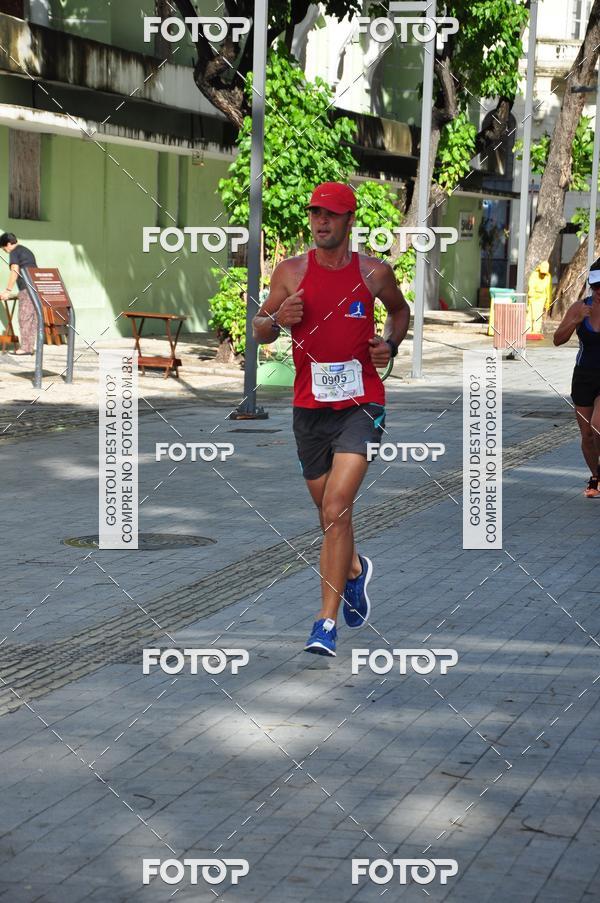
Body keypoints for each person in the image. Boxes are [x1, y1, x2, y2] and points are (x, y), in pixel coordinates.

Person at [253, 182, 410, 657]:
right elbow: (258, 331)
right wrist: (278, 318)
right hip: (309, 409)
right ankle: (356, 569)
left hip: (362, 404)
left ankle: (325, 623)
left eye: (331, 214)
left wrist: (390, 344)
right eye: (315, 213)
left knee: (337, 507)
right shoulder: (291, 272)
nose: (320, 222)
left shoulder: (373, 272)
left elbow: (400, 311)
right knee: (329, 516)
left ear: (349, 220)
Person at [554, 258, 600, 497]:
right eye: (596, 286)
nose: (599, 291)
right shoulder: (580, 308)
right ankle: (596, 477)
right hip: (583, 376)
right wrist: (575, 320)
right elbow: (557, 339)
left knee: (598, 425)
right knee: (587, 435)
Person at [0, 232, 37, 355]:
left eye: (3, 248)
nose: (5, 251)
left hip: (26, 288)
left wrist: (7, 291)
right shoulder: (27, 251)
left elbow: (14, 271)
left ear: (8, 244)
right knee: (32, 319)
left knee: (24, 318)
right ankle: (29, 347)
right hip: (35, 287)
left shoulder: (14, 252)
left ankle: (25, 348)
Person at [526, 260, 552, 340]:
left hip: (541, 298)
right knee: (529, 315)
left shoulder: (548, 277)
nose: (543, 275)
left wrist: (548, 301)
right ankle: (527, 330)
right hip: (533, 296)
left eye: (544, 273)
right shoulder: (534, 274)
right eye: (542, 273)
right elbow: (531, 285)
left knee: (538, 315)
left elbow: (548, 289)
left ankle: (536, 331)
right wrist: (531, 296)